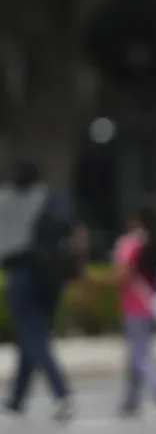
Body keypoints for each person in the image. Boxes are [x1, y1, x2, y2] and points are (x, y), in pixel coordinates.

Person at [0, 159, 85, 423]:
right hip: (52, 278)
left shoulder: (7, 201)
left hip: (24, 274)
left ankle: (62, 395)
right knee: (33, 336)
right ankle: (17, 398)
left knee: (33, 337)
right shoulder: (54, 198)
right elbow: (74, 231)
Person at [109, 201, 156, 420]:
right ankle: (131, 401)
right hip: (153, 304)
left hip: (134, 305)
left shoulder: (129, 243)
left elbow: (122, 274)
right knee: (137, 354)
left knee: (140, 356)